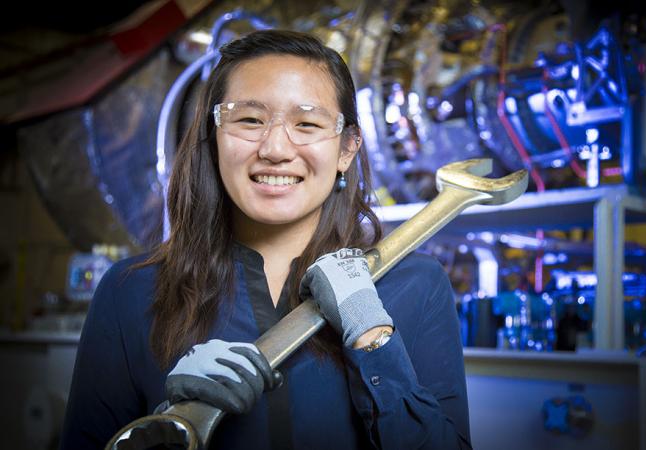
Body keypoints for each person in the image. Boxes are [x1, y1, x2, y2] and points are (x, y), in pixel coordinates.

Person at [59, 29, 471, 449]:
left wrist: (372, 335)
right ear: (215, 136)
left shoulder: (417, 284)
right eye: (250, 120)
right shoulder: (130, 292)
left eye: (307, 123)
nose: (275, 148)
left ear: (346, 149)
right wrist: (169, 426)